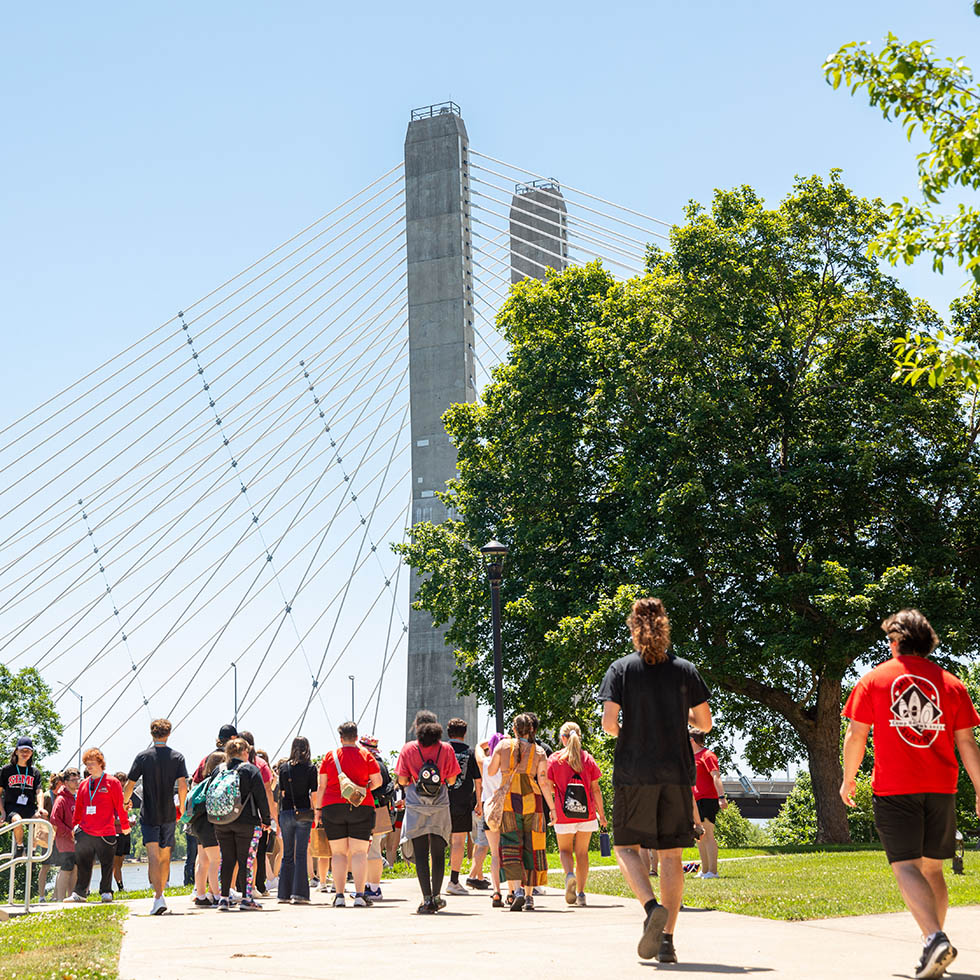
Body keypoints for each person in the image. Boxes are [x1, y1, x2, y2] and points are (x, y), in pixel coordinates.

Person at [841, 609, 980, 980]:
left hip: (895, 787)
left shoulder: (874, 680)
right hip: (942, 788)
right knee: (933, 868)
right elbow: (967, 741)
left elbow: (856, 735)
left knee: (905, 865)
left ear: (897, 641)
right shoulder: (951, 684)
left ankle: (935, 937)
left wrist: (848, 778)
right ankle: (932, 942)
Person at [599, 597, 712, 964]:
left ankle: (650, 909)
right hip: (677, 772)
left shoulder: (620, 670)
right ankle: (667, 942)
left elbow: (608, 724)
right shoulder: (685, 670)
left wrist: (632, 731)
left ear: (634, 628)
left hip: (634, 771)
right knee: (671, 857)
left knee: (626, 848)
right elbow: (705, 723)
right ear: (665, 626)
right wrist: (681, 723)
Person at [395, 714, 461, 914]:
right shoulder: (446, 749)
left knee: (422, 854)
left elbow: (403, 780)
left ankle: (426, 900)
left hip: (416, 805)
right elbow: (451, 781)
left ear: (417, 727)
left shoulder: (408, 749)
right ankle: (437, 896)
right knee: (438, 853)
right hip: (440, 804)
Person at [487, 713, 553, 911]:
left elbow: (491, 771)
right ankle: (530, 896)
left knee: (510, 846)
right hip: (534, 801)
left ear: (514, 729)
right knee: (532, 847)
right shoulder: (540, 751)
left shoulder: (502, 746)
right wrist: (554, 808)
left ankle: (516, 892)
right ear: (532, 729)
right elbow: (543, 782)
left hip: (509, 801)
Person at [124, 718, 188, 916]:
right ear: (169, 734)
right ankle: (162, 891)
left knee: (152, 855)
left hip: (149, 812)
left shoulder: (142, 757)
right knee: (165, 855)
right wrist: (183, 807)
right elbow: (183, 785)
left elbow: (130, 784)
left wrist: (124, 803)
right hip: (169, 812)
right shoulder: (177, 757)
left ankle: (158, 896)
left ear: (151, 734)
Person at [316, 721, 381, 908]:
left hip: (332, 806)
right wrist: (362, 788)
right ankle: (360, 895)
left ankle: (339, 896)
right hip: (361, 806)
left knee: (338, 853)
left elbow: (322, 786)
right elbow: (377, 781)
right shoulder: (366, 754)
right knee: (359, 852)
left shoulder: (330, 756)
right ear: (356, 737)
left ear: (341, 737)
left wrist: (318, 811)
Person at [547, 720, 606, 906]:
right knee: (582, 853)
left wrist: (553, 805)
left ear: (563, 739)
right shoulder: (587, 759)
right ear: (578, 737)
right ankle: (581, 894)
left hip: (564, 814)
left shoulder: (555, 760)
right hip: (586, 813)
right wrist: (602, 815)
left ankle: (569, 875)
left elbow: (548, 787)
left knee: (565, 850)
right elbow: (596, 789)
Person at [66, 748, 130, 903]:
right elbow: (79, 808)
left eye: (92, 763)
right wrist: (75, 826)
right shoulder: (83, 785)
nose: (89, 767)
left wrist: (125, 824)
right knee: (83, 864)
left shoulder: (112, 782)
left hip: (106, 831)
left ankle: (106, 891)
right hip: (85, 831)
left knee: (107, 864)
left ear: (101, 764)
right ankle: (80, 893)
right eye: (87, 764)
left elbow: (119, 805)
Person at [214, 736, 271, 911]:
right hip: (246, 822)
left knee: (227, 858)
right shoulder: (250, 770)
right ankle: (247, 899)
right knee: (246, 860)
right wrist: (267, 820)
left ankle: (223, 898)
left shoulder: (219, 770)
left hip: (221, 821)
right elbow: (261, 797)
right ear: (245, 752)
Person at [276, 736, 318, 905]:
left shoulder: (284, 768)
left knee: (287, 854)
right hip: (303, 813)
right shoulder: (311, 768)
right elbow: (314, 795)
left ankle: (283, 893)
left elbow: (283, 793)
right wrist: (316, 811)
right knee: (300, 854)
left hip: (286, 812)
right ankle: (299, 893)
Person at [445, 717, 482, 896]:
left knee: (436, 841)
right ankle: (453, 880)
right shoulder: (471, 752)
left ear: (448, 732)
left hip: (439, 803)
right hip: (462, 802)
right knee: (458, 842)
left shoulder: (441, 750)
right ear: (465, 733)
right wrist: (479, 802)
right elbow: (478, 781)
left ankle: (433, 879)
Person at [239, 731, 276, 897]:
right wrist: (269, 816)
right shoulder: (260, 764)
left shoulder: (232, 764)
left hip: (237, 814)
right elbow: (268, 790)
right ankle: (258, 884)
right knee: (259, 851)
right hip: (257, 814)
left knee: (238, 851)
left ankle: (238, 885)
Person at [358, 734, 394, 901]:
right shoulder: (381, 763)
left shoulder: (370, 763)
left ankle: (374, 888)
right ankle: (369, 885)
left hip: (372, 810)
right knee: (374, 849)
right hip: (382, 810)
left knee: (372, 850)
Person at [189, 751, 225, 907]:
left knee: (202, 861)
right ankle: (217, 895)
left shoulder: (203, 782)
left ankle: (201, 895)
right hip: (208, 825)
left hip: (197, 824)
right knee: (215, 860)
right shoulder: (217, 782)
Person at [690, 728, 726, 878]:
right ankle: (704, 871)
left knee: (708, 833)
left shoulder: (707, 755)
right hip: (695, 800)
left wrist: (722, 797)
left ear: (692, 740)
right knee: (699, 835)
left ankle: (713, 871)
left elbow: (716, 776)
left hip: (708, 799)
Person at [0, 736, 47, 853]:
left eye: (28, 751)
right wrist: (2, 812)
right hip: (12, 806)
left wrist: (41, 808)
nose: (25, 753)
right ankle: (20, 846)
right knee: (17, 821)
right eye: (22, 750)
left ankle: (32, 849)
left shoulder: (34, 772)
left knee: (39, 818)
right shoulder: (6, 770)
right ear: (16, 751)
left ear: (31, 753)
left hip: (29, 806)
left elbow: (39, 791)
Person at [475, 732, 504, 904]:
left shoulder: (485, 763)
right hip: (507, 808)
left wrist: (493, 741)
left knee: (494, 854)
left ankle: (496, 891)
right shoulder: (510, 764)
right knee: (511, 850)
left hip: (490, 810)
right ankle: (515, 889)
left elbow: (478, 747)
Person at [50, 768, 79, 901]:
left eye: (77, 779)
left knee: (75, 869)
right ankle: (60, 899)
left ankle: (70, 897)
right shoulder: (61, 799)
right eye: (73, 780)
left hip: (77, 841)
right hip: (65, 841)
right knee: (66, 868)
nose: (76, 782)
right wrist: (69, 832)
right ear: (66, 782)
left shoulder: (78, 797)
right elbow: (54, 821)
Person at [37, 772, 63, 901]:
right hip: (48, 836)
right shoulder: (48, 796)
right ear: (57, 783)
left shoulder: (62, 797)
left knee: (61, 866)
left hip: (59, 836)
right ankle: (41, 896)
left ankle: (55, 895)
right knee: (45, 866)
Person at [111, 771, 139, 892]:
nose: (122, 787)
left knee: (121, 862)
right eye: (119, 784)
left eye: (123, 785)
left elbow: (126, 814)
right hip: (115, 833)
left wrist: (129, 821)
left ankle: (120, 886)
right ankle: (120, 888)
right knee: (115, 863)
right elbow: (110, 820)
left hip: (125, 832)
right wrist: (125, 822)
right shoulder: (110, 798)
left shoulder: (125, 798)